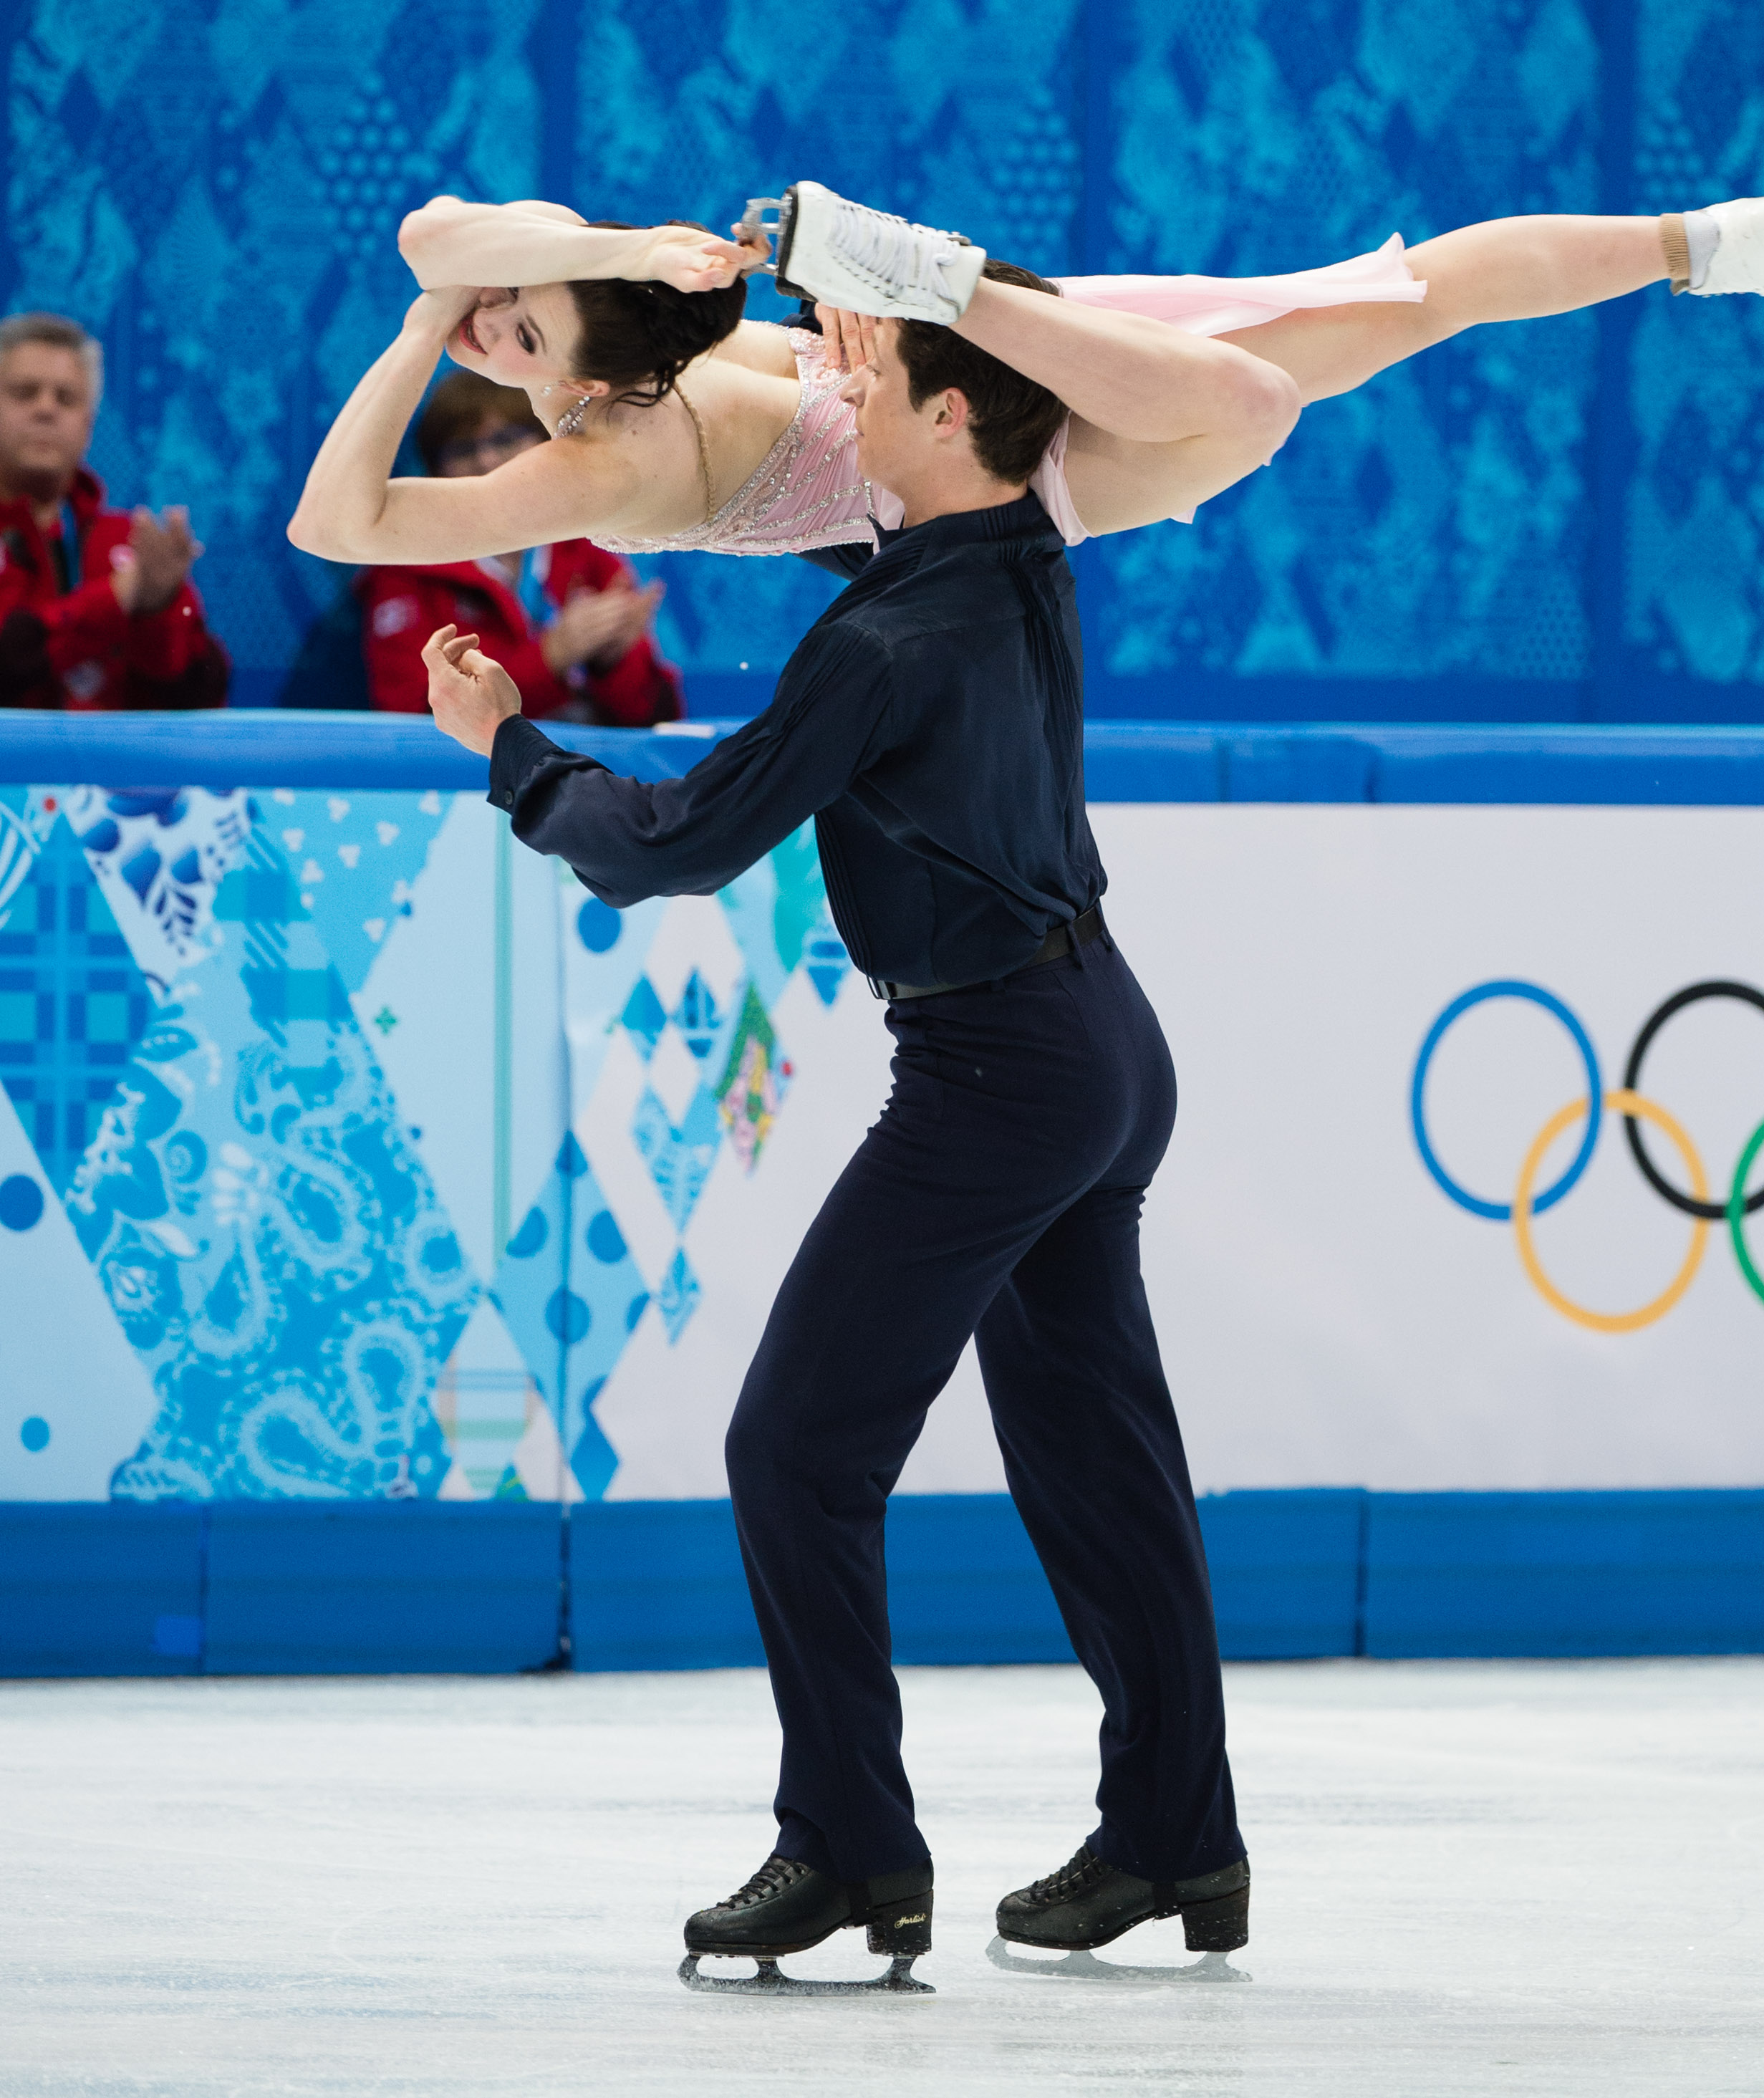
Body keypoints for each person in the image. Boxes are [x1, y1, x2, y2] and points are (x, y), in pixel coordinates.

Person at [419, 269, 1258, 1994]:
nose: (833, 394)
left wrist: (511, 753)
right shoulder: (1014, 535)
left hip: (996, 1077)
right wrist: (799, 349)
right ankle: (1180, 1834)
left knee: (794, 1451)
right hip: (1100, 1041)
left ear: (957, 415)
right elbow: (867, 476)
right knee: (1100, 1468)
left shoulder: (885, 639)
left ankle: (853, 1847)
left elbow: (673, 841)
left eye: (874, 376)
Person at [287, 182, 1764, 576]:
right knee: (1315, 363)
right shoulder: (595, 402)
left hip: (954, 415)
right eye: (500, 328)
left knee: (1388, 310)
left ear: (590, 354)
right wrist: (449, 316)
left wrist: (616, 263)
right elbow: (439, 246)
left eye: (513, 326)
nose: (487, 332)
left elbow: (341, 517)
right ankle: (945, 281)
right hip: (965, 426)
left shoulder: (592, 450)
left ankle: (1724, 239)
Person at [356, 371, 679, 726]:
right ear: (436, 470)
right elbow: (410, 717)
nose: (487, 461)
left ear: (547, 446)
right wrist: (552, 655)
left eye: (506, 440)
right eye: (463, 449)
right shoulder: (407, 569)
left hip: (586, 768)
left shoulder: (589, 547)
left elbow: (654, 721)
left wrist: (614, 662)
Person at [0, 312, 227, 711]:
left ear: (87, 424)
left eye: (66, 398)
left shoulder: (129, 543)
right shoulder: (125, 577)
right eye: (24, 393)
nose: (46, 409)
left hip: (114, 771)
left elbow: (201, 695)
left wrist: (160, 606)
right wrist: (114, 599)